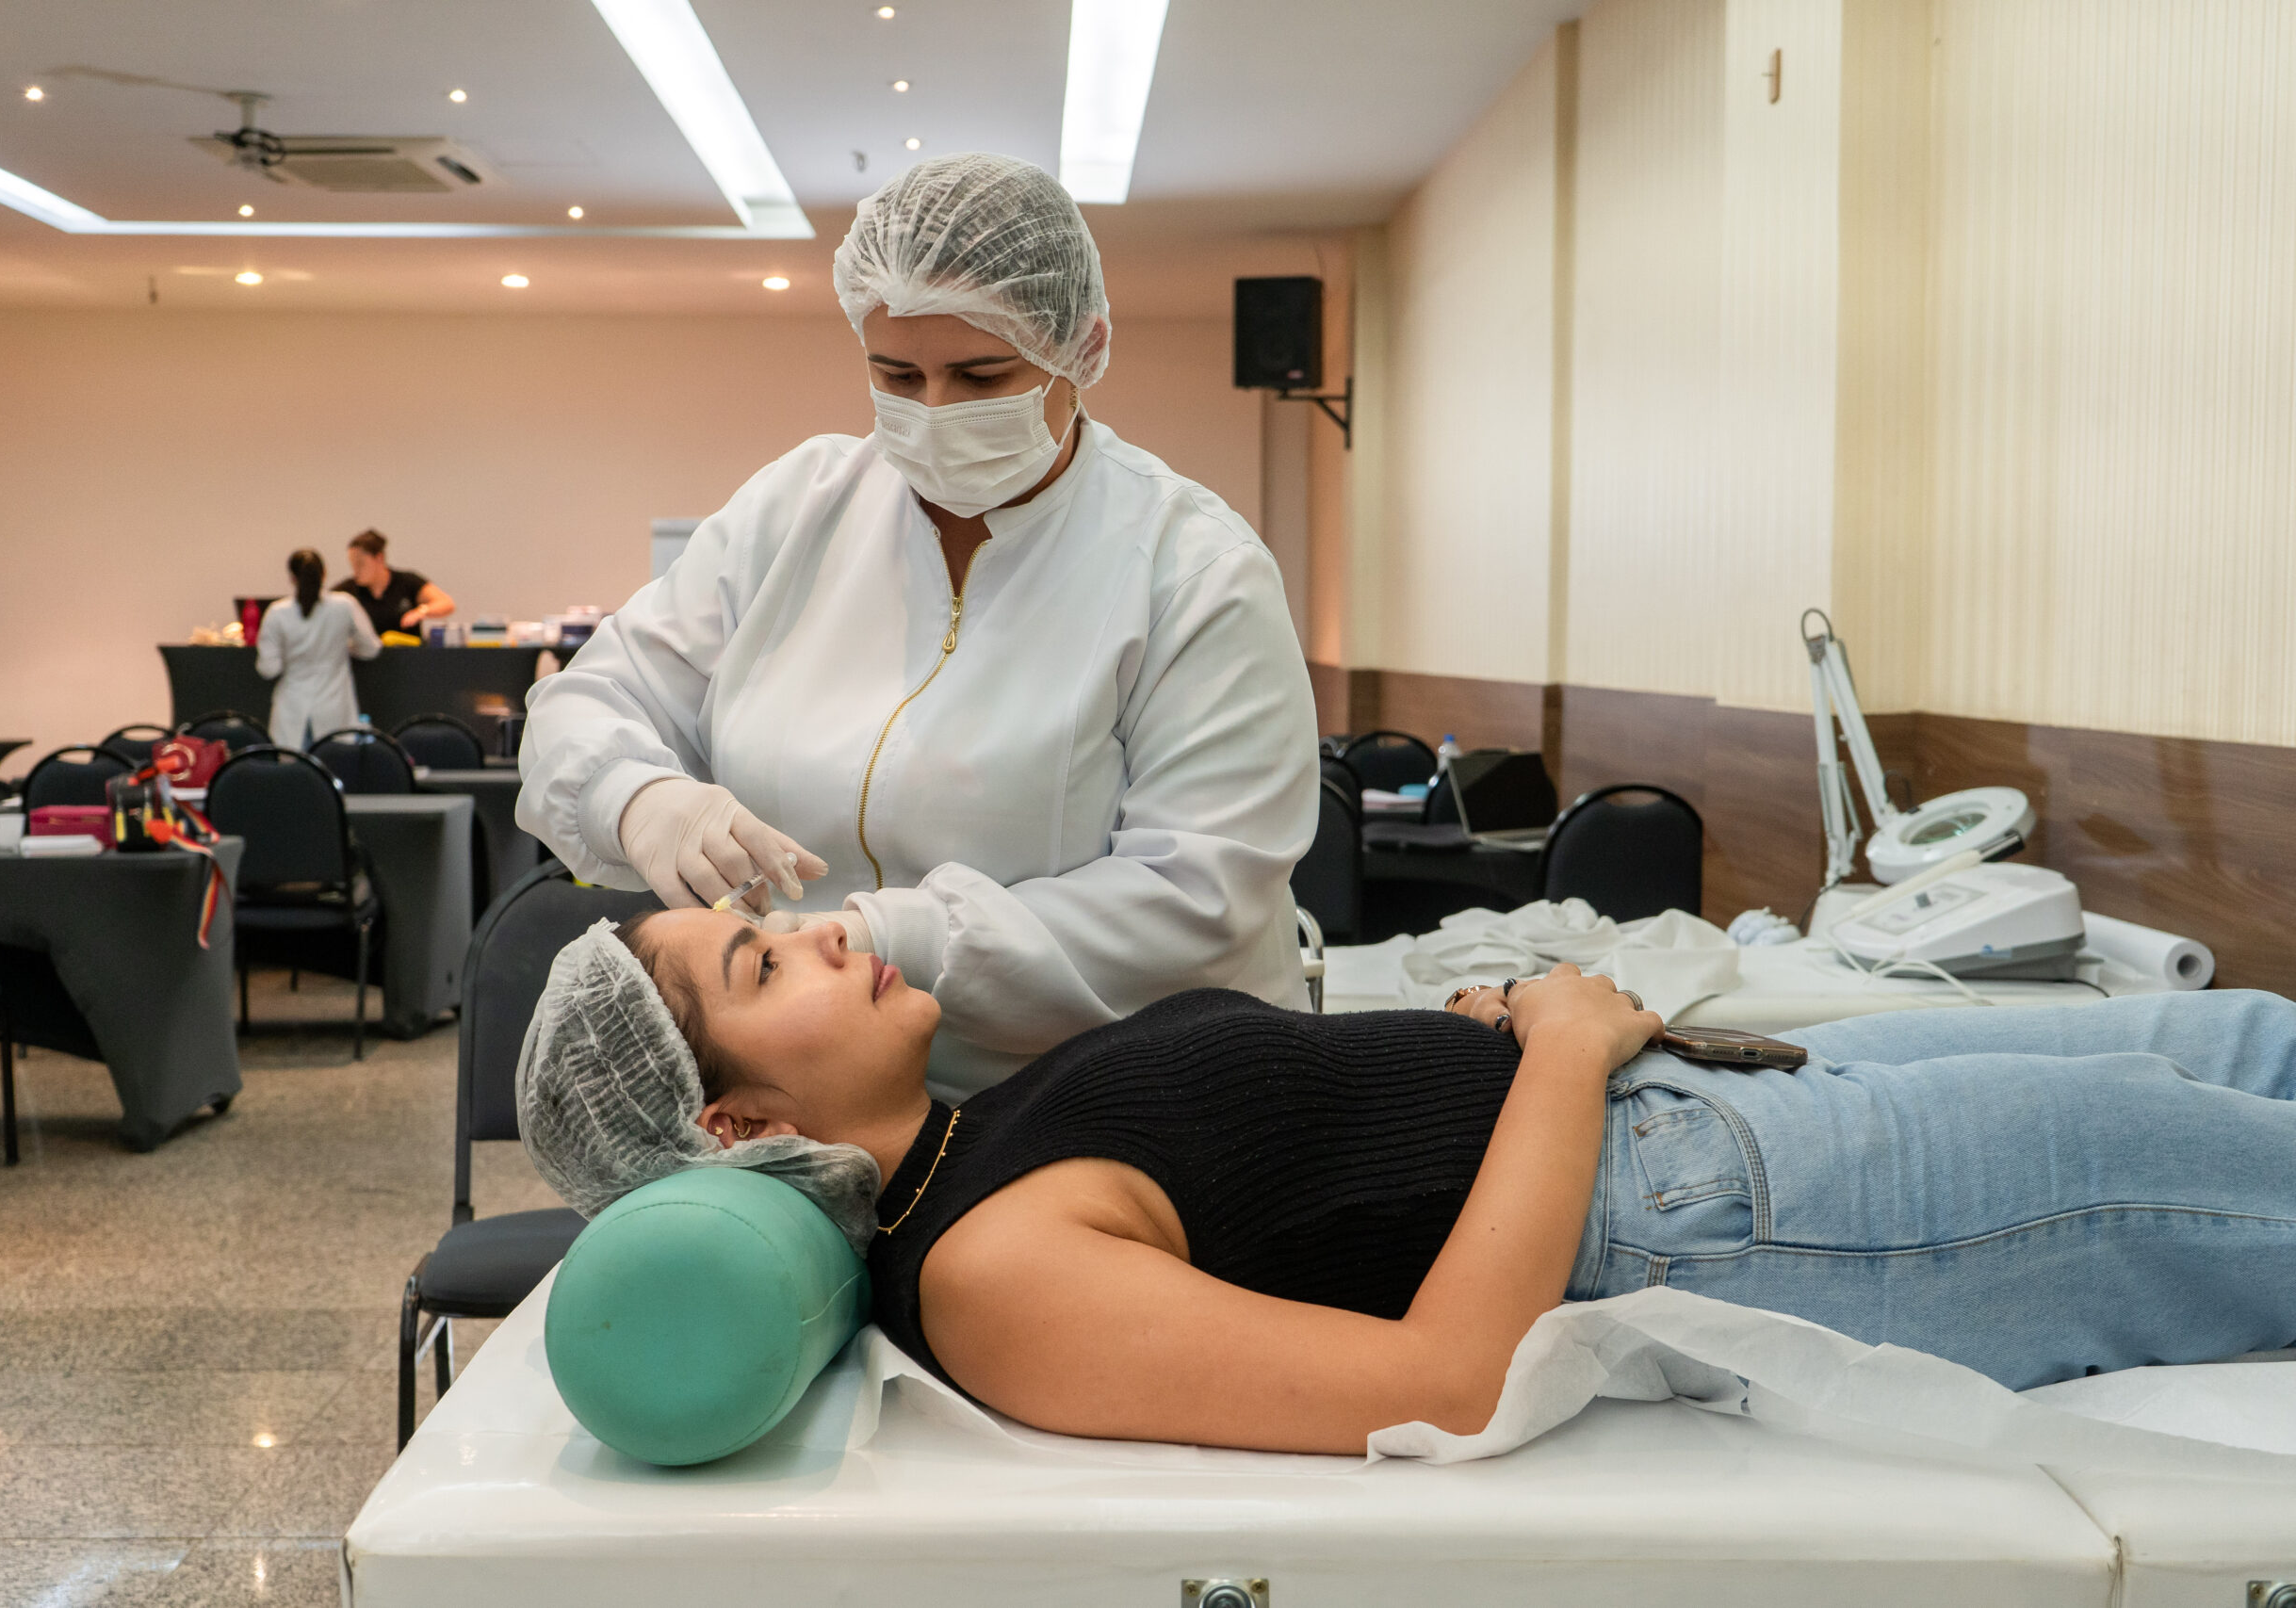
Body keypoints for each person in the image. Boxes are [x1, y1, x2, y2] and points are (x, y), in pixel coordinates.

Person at [517, 907, 2296, 1456]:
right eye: (767, 967)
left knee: (2240, 1043)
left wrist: (1474, 1035)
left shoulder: (978, 1126)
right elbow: (1451, 1377)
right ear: (739, 1131)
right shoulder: (987, 1274)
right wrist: (1562, 1058)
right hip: (1719, 1194)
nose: (825, 923)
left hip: (1688, 1101)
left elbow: (1300, 1149)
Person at [516, 154, 1315, 1098]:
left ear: (1082, 350)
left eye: (982, 376)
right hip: (824, 1097)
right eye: (895, 374)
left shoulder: (1190, 565)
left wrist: (894, 936)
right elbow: (591, 697)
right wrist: (638, 796)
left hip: (1100, 1102)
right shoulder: (797, 510)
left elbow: (1196, 897)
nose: (933, 412)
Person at [256, 548, 380, 749]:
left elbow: (269, 668)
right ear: (324, 574)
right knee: (335, 769)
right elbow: (371, 648)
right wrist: (346, 647)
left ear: (292, 578)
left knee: (294, 773)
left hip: (292, 707)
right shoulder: (345, 605)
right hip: (334, 708)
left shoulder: (277, 613)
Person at [336, 528, 456, 637]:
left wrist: (421, 611)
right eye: (353, 565)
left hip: (409, 655)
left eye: (361, 564)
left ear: (379, 558)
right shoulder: (347, 591)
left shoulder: (407, 582)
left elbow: (446, 603)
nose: (356, 570)